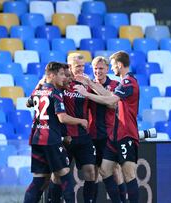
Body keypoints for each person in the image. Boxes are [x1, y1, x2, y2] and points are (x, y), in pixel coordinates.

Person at [75, 51, 140, 203]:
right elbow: (109, 97)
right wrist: (90, 85)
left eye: (108, 66)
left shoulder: (126, 82)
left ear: (118, 65)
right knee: (104, 170)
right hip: (111, 135)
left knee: (127, 174)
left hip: (125, 133)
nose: (99, 71)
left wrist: (87, 93)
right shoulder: (123, 82)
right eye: (95, 69)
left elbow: (111, 101)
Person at [24, 62, 88, 203]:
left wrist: (39, 85)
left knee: (39, 180)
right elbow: (62, 117)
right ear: (52, 75)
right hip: (51, 140)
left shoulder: (38, 90)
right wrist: (81, 121)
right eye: (61, 74)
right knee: (65, 176)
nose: (64, 77)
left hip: (37, 139)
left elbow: (28, 103)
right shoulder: (55, 92)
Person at [85, 56, 127, 203]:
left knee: (114, 170)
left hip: (110, 134)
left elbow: (113, 105)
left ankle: (122, 201)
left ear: (107, 69)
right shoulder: (88, 86)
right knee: (94, 172)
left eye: (101, 68)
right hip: (93, 134)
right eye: (95, 69)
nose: (98, 71)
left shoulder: (115, 85)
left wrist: (92, 90)